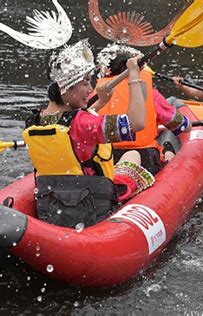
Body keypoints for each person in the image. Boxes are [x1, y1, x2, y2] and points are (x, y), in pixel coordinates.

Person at [23, 40, 155, 228]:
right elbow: (137, 123)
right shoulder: (83, 124)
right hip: (92, 206)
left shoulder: (35, 120)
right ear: (66, 87)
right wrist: (134, 76)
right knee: (133, 156)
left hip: (53, 205)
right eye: (85, 84)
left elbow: (70, 125)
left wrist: (100, 102)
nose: (90, 90)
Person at [94, 44, 192, 175]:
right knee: (168, 140)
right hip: (144, 159)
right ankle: (168, 155)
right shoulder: (149, 92)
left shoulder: (94, 93)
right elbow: (183, 126)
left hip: (105, 160)